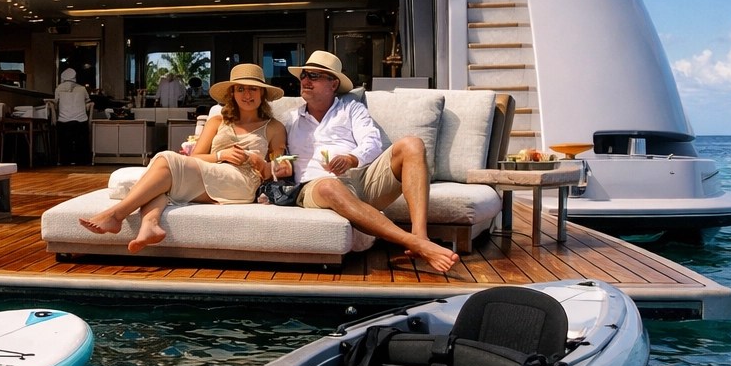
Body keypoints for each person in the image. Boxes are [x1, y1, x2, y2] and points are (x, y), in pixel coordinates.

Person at [274, 49, 459, 273]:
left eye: (314, 76)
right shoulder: (289, 119)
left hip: (360, 179)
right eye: (304, 75)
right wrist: (280, 164)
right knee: (329, 185)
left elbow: (372, 142)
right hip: (316, 187)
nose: (305, 80)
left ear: (333, 84)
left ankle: (420, 234)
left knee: (413, 144)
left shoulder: (352, 109)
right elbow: (279, 156)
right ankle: (414, 243)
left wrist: (352, 158)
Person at [79, 63, 287, 253]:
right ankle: (149, 225)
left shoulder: (274, 127)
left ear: (262, 93)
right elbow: (196, 157)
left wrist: (257, 161)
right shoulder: (217, 121)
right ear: (232, 93)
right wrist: (221, 155)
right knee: (163, 174)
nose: (247, 94)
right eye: (240, 89)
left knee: (165, 161)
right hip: (210, 171)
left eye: (253, 89)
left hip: (241, 181)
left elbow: (279, 170)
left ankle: (116, 215)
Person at [54, 67, 92, 165]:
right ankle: (82, 161)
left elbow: (56, 104)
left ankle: (64, 160)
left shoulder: (58, 88)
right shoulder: (82, 89)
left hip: (64, 122)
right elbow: (88, 103)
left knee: (64, 142)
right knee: (82, 142)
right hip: (81, 121)